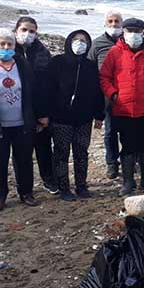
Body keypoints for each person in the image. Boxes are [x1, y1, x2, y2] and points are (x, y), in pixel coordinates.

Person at [99, 18, 144, 196]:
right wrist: (113, 95)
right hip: (123, 108)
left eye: (137, 31)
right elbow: (104, 77)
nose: (133, 34)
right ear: (124, 32)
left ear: (143, 32)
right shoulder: (114, 53)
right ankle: (128, 182)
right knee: (127, 144)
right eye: (130, 31)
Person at [0, 28, 46, 210]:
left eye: (9, 44)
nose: (5, 47)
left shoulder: (22, 64)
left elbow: (34, 92)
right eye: (1, 44)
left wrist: (41, 115)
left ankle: (26, 193)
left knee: (24, 160)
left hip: (22, 123)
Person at [46, 30, 106, 201]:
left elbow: (97, 92)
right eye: (76, 40)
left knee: (81, 152)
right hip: (61, 119)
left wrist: (99, 115)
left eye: (84, 41)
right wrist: (45, 114)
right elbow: (48, 90)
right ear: (69, 41)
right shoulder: (57, 62)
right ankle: (64, 187)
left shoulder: (90, 66)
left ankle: (81, 186)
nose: (80, 43)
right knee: (61, 153)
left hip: (84, 119)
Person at [14, 16, 56, 194]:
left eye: (32, 31)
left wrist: (44, 112)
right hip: (16, 110)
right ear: (16, 30)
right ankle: (24, 188)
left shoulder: (42, 52)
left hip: (39, 109)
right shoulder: (8, 49)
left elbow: (47, 85)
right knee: (21, 152)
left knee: (44, 148)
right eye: (24, 30)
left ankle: (49, 180)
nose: (27, 34)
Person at [88, 10, 123, 179]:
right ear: (105, 23)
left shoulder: (130, 40)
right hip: (107, 96)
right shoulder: (97, 44)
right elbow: (90, 69)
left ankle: (130, 160)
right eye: (110, 21)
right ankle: (112, 163)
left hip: (128, 95)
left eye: (117, 21)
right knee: (110, 132)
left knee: (129, 131)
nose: (114, 24)